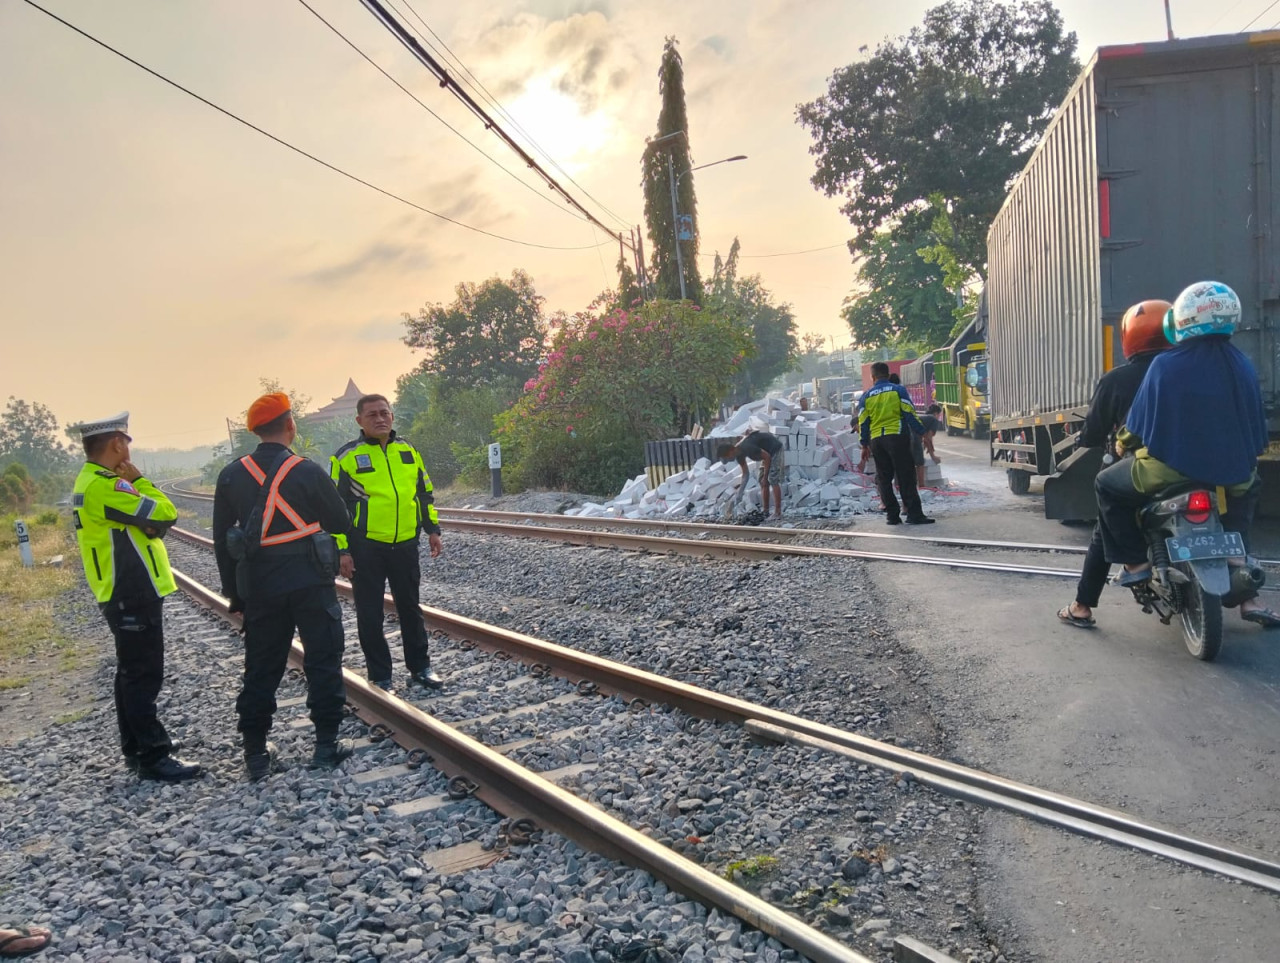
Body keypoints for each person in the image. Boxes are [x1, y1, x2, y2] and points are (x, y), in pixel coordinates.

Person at [1093, 281, 1280, 627]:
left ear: (1183, 319)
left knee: (1106, 486)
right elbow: (1257, 425)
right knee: (1246, 494)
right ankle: (1239, 561)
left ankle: (1135, 564)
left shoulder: (1166, 364)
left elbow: (1138, 425)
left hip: (1170, 469)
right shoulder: (1243, 364)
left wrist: (1122, 443)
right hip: (1231, 472)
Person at [213, 393, 355, 780]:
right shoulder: (306, 470)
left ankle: (256, 755)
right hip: (311, 581)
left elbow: (223, 543)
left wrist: (235, 595)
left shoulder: (230, 475)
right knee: (323, 660)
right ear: (291, 425)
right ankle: (326, 747)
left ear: (255, 431)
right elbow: (340, 522)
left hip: (260, 585)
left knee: (261, 668)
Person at [70, 413, 202, 783]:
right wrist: (140, 481)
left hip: (120, 588)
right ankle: (153, 755)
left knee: (129, 673)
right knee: (143, 674)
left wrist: (148, 520)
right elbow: (166, 513)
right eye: (126, 441)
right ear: (116, 443)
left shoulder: (90, 482)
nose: (129, 448)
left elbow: (154, 523)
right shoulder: (107, 486)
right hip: (131, 589)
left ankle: (134, 746)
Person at [1057, 299, 1170, 628]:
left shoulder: (1118, 379)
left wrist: (1084, 438)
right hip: (1197, 462)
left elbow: (1094, 431)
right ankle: (1246, 593)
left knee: (1104, 516)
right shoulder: (1187, 370)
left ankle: (1083, 604)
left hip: (1143, 467)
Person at [330, 394, 444, 692]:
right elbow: (334, 509)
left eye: (384, 413)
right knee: (370, 613)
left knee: (410, 608)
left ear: (392, 416)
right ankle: (380, 676)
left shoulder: (408, 451)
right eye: (372, 415)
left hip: (406, 543)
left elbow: (424, 493)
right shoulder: (345, 458)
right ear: (359, 421)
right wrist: (342, 549)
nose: (379, 419)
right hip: (365, 547)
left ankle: (420, 667)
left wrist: (432, 529)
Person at [857, 362, 933, 525]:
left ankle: (892, 516)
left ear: (873, 377)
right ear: (888, 374)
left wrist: (864, 445)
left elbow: (863, 422)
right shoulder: (898, 390)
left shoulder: (866, 396)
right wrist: (923, 433)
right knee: (906, 476)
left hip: (877, 440)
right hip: (897, 437)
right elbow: (910, 414)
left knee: (884, 479)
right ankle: (914, 514)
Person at [717, 429, 786, 520]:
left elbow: (767, 457)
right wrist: (739, 494)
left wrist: (766, 477)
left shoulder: (747, 447)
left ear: (731, 450)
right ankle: (766, 511)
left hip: (774, 449)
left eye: (727, 456)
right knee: (761, 480)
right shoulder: (739, 455)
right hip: (766, 454)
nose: (729, 459)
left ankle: (778, 512)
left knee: (772, 479)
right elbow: (745, 474)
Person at [911, 403, 945, 489]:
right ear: (936, 413)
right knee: (920, 462)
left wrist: (926, 445)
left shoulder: (924, 418)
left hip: (905, 435)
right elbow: (928, 439)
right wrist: (933, 457)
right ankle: (921, 485)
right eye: (939, 415)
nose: (938, 417)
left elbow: (925, 438)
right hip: (913, 436)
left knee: (910, 460)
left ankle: (910, 484)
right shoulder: (933, 420)